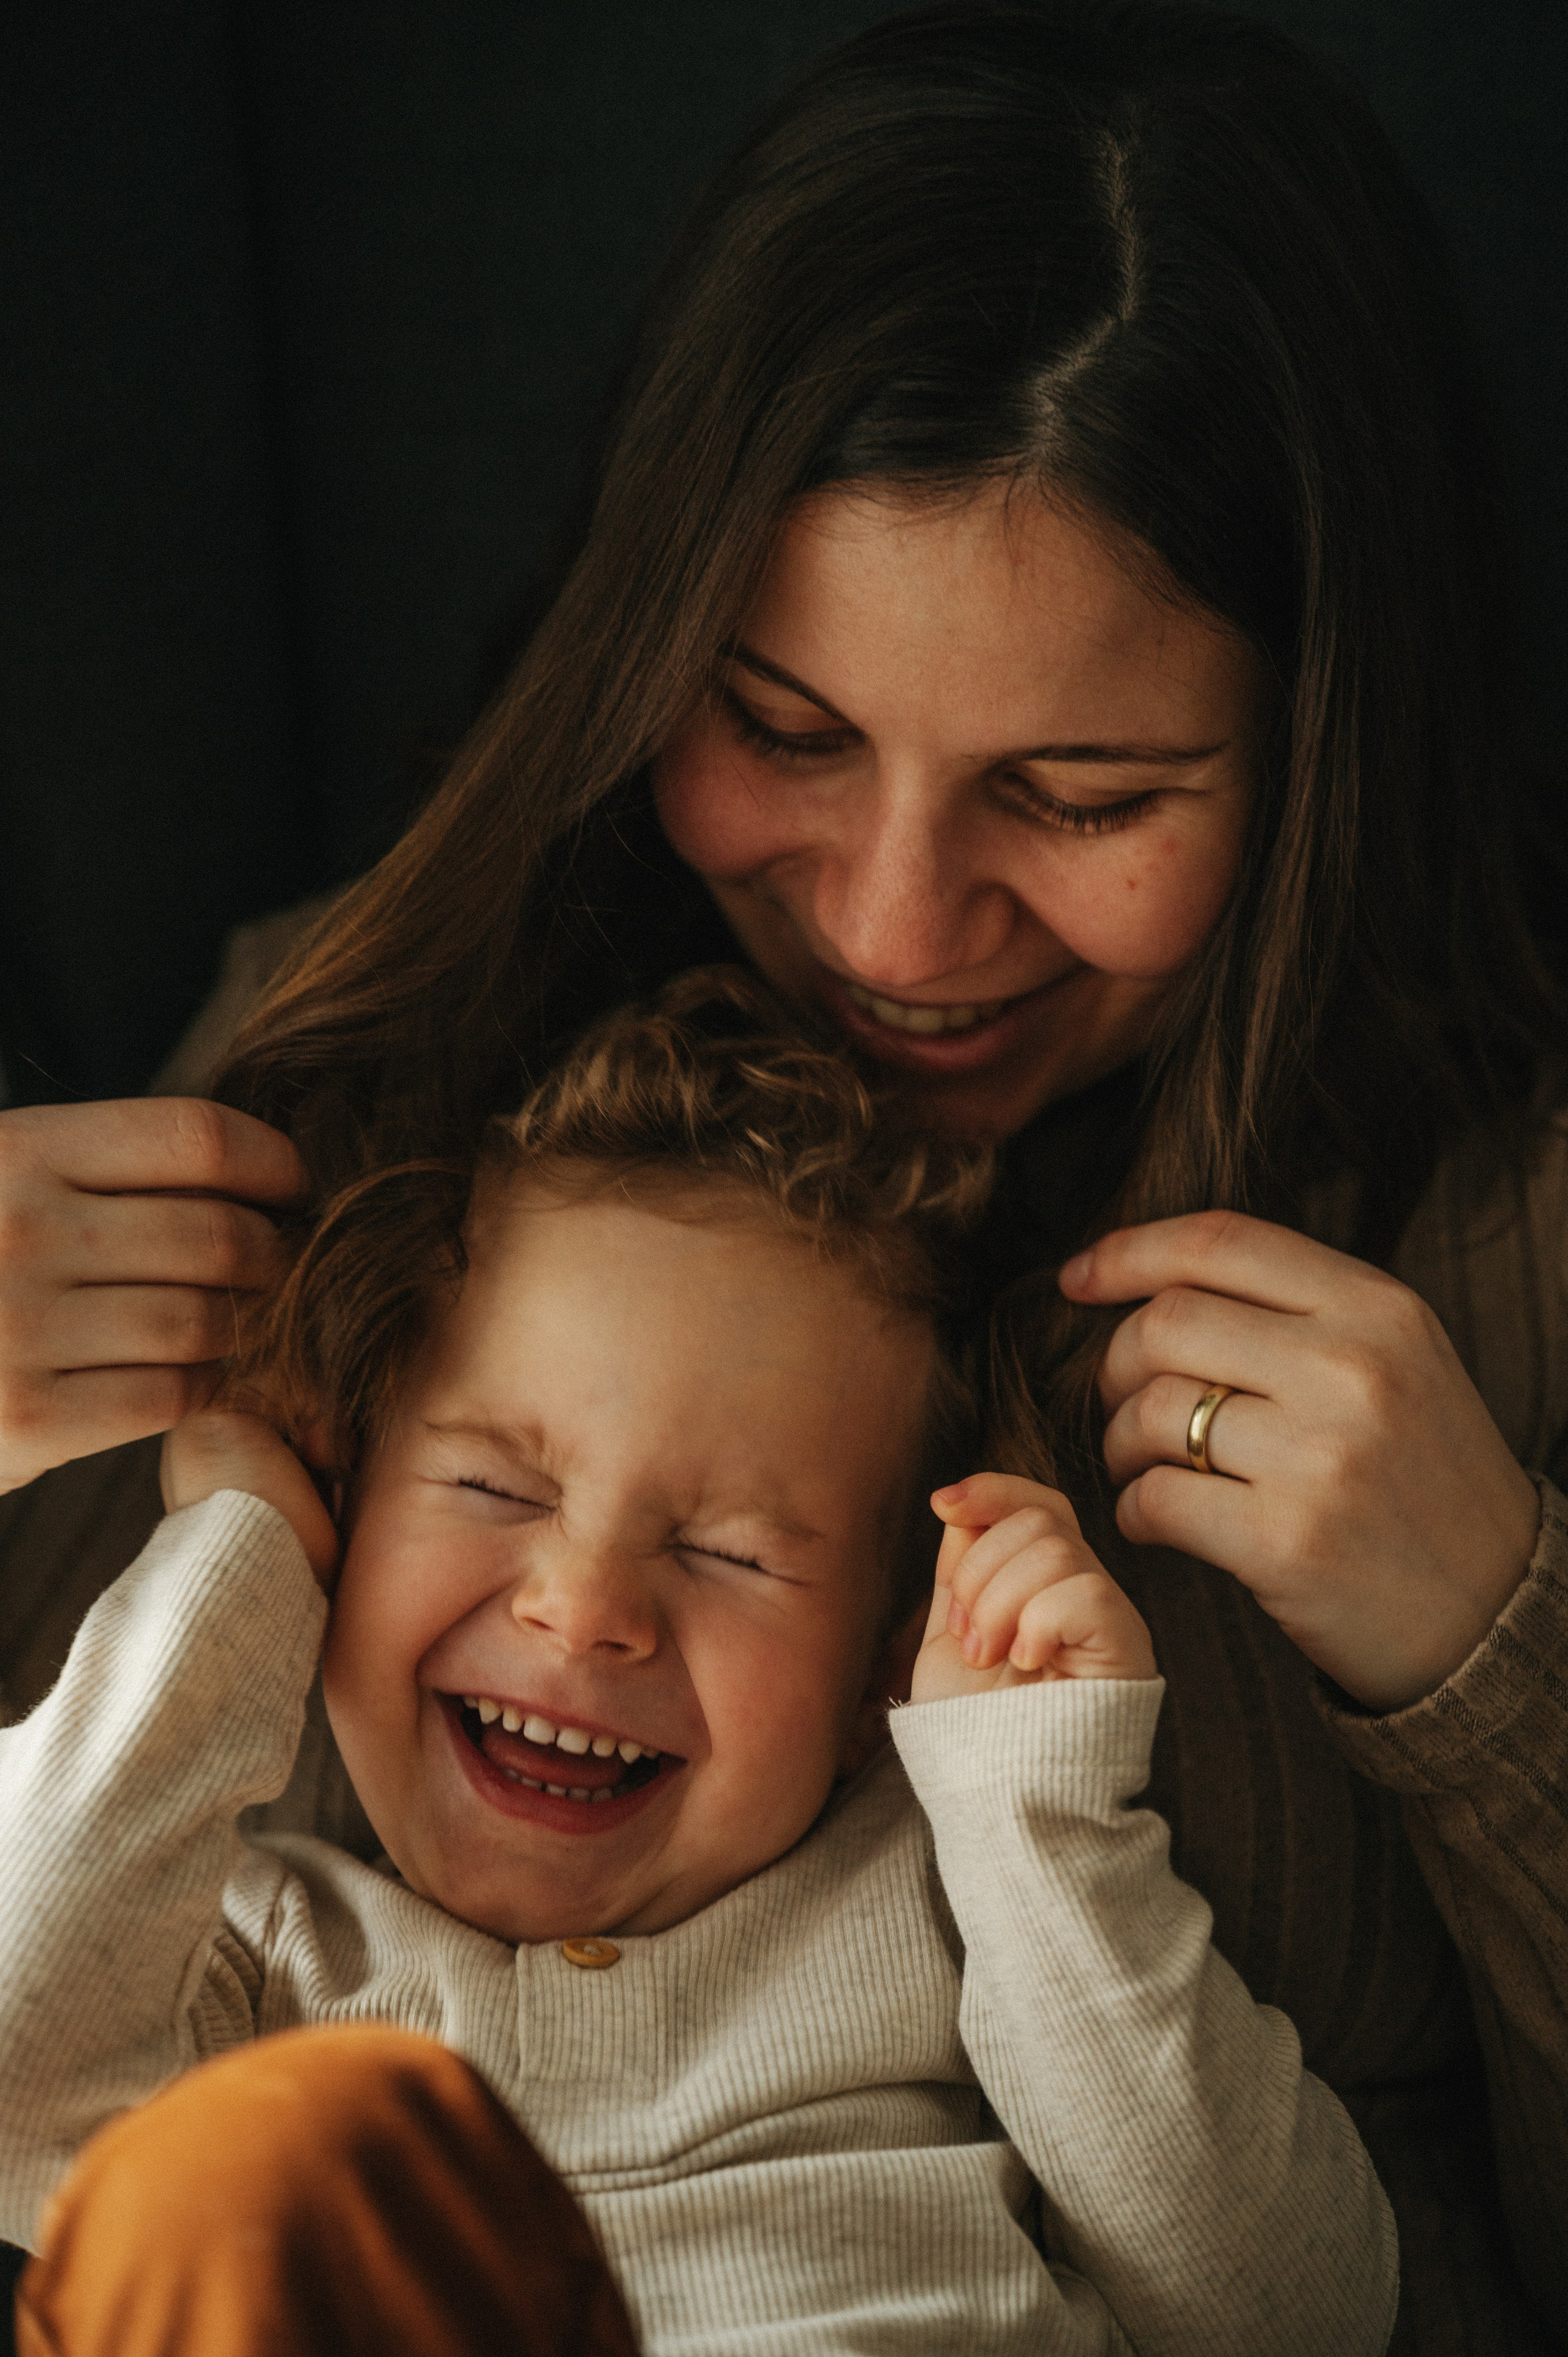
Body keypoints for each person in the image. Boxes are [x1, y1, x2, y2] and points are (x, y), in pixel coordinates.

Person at [0, 3, 1562, 2345]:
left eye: (1086, 793)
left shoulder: (1502, 1226)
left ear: (1318, 762)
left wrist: (1495, 1659)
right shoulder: (345, 1064)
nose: (890, 928)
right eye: (783, 728)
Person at [0, 975, 1398, 2356]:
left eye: (731, 1554)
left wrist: (1037, 1817)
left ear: (881, 1666)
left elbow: (1289, 2314)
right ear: (348, 1508)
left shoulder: (963, 1913)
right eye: (493, 1486)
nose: (583, 1606)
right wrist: (238, 1557)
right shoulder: (250, 1952)